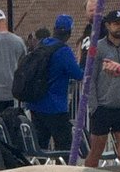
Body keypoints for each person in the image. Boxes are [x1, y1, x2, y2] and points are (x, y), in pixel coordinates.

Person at [23, 14, 84, 152]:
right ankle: (61, 167)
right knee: (64, 146)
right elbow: (78, 74)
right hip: (55, 107)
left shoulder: (42, 44)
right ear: (69, 32)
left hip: (36, 103)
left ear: (54, 29)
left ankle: (41, 165)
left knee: (41, 145)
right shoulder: (63, 51)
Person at [88, 10, 120, 167]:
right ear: (108, 25)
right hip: (102, 107)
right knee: (96, 151)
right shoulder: (97, 48)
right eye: (116, 24)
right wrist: (94, 106)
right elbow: (90, 78)